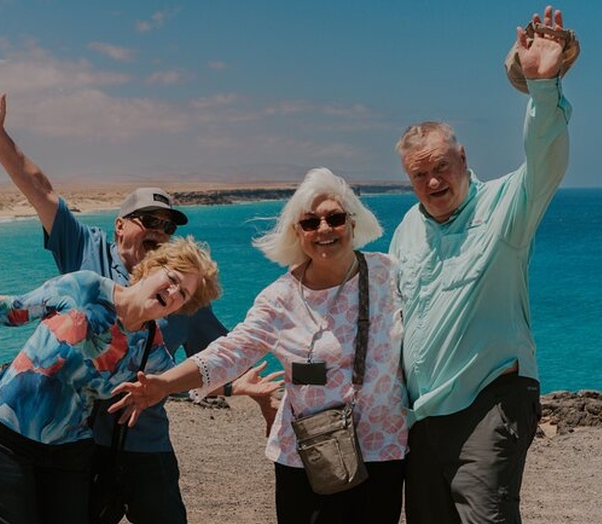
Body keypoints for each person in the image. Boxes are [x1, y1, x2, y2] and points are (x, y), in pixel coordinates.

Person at [0, 80, 279, 524]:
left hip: (145, 444)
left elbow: (222, 355)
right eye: (148, 220)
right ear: (119, 226)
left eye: (167, 226)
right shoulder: (83, 249)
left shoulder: (182, 295)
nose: (159, 230)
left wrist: (255, 391)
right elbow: (39, 187)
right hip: (77, 442)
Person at [109, 168, 408, 524]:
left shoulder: (390, 274)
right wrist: (164, 384)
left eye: (335, 218)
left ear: (353, 223)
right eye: (310, 223)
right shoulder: (279, 298)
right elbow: (229, 352)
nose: (324, 229)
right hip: (309, 457)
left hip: (383, 449)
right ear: (297, 233)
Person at [0, 237, 223, 524]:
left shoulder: (152, 352)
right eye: (174, 278)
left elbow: (182, 382)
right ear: (150, 268)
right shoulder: (85, 287)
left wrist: (243, 386)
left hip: (69, 451)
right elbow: (12, 309)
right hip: (2, 434)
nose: (174, 292)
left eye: (184, 295)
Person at [389, 6, 574, 524]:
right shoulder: (408, 227)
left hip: (490, 403)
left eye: (441, 167)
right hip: (422, 417)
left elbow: (546, 158)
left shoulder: (505, 207)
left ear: (463, 158)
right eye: (419, 175)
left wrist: (542, 86)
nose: (433, 183)